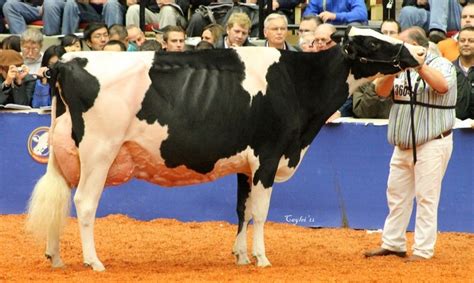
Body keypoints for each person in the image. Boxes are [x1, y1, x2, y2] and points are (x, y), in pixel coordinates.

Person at [364, 27, 457, 261]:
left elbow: (442, 86)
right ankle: (393, 243)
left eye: (402, 45)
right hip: (402, 144)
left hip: (433, 142)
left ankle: (423, 250)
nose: (397, 49)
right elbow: (381, 92)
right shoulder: (398, 69)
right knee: (396, 195)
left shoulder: (443, 64)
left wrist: (419, 66)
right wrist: (394, 71)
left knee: (426, 197)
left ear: (418, 46)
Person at [352, 19, 400, 119]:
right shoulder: (365, 67)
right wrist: (375, 85)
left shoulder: (409, 66)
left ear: (400, 36)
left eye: (392, 33)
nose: (387, 36)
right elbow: (361, 112)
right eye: (384, 33)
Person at [453, 26, 474, 119]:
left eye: (471, 41)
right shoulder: (447, 69)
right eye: (462, 40)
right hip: (455, 128)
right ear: (457, 43)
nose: (466, 44)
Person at [302, 0, 367, 25]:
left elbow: (361, 14)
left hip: (345, 26)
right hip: (324, 28)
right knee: (308, 24)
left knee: (354, 26)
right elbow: (307, 15)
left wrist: (335, 16)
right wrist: (317, 17)